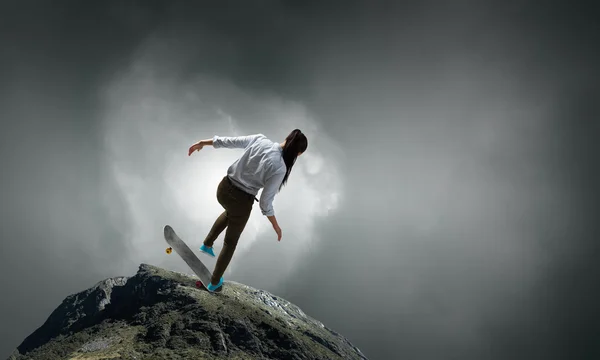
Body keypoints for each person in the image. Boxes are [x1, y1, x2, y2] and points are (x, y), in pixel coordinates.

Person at [187, 129, 308, 292]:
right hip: (241, 201)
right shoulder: (280, 168)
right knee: (230, 243)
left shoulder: (260, 139)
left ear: (287, 139)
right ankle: (214, 282)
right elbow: (265, 203)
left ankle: (207, 244)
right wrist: (276, 226)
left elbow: (229, 141)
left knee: (230, 213)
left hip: (223, 189)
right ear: (297, 154)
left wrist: (203, 143)